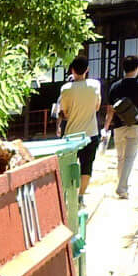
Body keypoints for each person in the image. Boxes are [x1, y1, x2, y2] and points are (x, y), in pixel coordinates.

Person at [51, 55, 102, 194]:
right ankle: (80, 196)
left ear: (72, 70)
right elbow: (97, 107)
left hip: (71, 135)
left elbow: (64, 112)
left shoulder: (66, 88)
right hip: (91, 133)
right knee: (87, 167)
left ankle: (68, 195)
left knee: (68, 167)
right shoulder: (95, 85)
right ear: (87, 69)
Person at [103, 55, 138, 199]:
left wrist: (106, 126)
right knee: (130, 157)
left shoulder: (115, 86)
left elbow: (110, 110)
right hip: (135, 125)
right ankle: (122, 188)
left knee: (121, 158)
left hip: (118, 126)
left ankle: (122, 187)